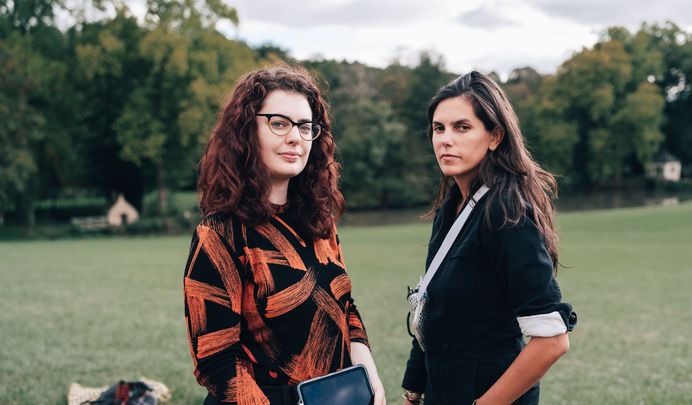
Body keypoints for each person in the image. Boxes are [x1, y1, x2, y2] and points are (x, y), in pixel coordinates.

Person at [183, 65, 385, 405]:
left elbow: (345, 307)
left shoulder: (319, 221)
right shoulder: (219, 233)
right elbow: (215, 360)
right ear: (247, 131)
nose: (295, 137)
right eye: (279, 123)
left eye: (306, 127)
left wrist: (371, 381)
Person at [401, 71, 577, 405]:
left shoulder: (506, 213)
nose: (445, 139)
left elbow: (552, 340)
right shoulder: (450, 209)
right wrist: (415, 389)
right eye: (439, 128)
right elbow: (430, 305)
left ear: (495, 136)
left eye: (462, 127)